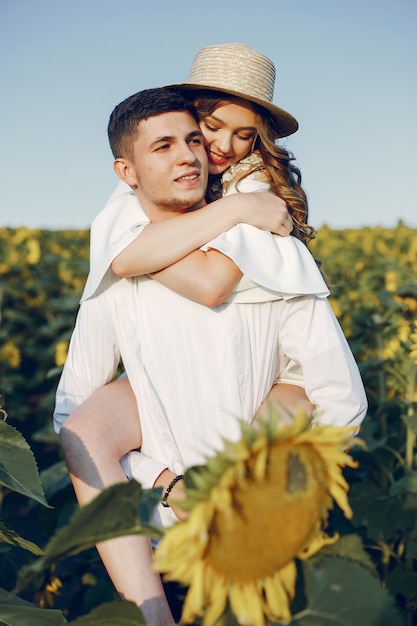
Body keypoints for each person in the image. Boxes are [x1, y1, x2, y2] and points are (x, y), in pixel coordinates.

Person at [55, 86, 367, 625]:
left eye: (194, 140)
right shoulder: (116, 267)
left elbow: (339, 400)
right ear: (126, 173)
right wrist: (166, 482)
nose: (190, 155)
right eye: (164, 146)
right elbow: (76, 422)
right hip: (157, 554)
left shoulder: (270, 255)